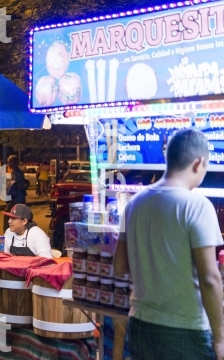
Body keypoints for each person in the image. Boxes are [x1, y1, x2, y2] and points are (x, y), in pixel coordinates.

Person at [113, 128, 224, 360]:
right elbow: (209, 278)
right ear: (198, 163)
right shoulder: (196, 205)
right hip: (184, 332)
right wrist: (220, 338)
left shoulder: (134, 204)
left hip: (140, 326)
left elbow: (120, 265)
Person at [3, 155, 26, 232]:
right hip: (15, 199)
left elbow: (20, 185)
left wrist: (12, 187)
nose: (8, 164)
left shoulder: (17, 173)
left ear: (14, 162)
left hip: (17, 199)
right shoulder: (15, 172)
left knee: (8, 215)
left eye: (9, 162)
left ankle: (8, 232)